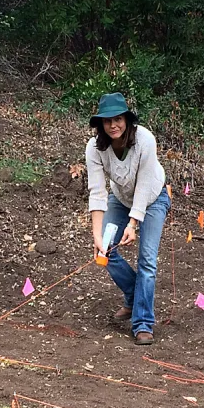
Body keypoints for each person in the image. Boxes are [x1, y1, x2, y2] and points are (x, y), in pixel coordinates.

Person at [85, 92, 170, 345]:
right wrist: (97, 236)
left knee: (147, 261)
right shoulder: (94, 148)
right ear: (100, 124)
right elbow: (97, 192)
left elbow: (144, 186)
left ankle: (143, 323)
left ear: (127, 120)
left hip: (153, 199)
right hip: (120, 199)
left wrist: (133, 224)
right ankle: (135, 295)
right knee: (105, 252)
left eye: (118, 119)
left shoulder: (145, 140)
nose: (113, 125)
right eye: (107, 120)